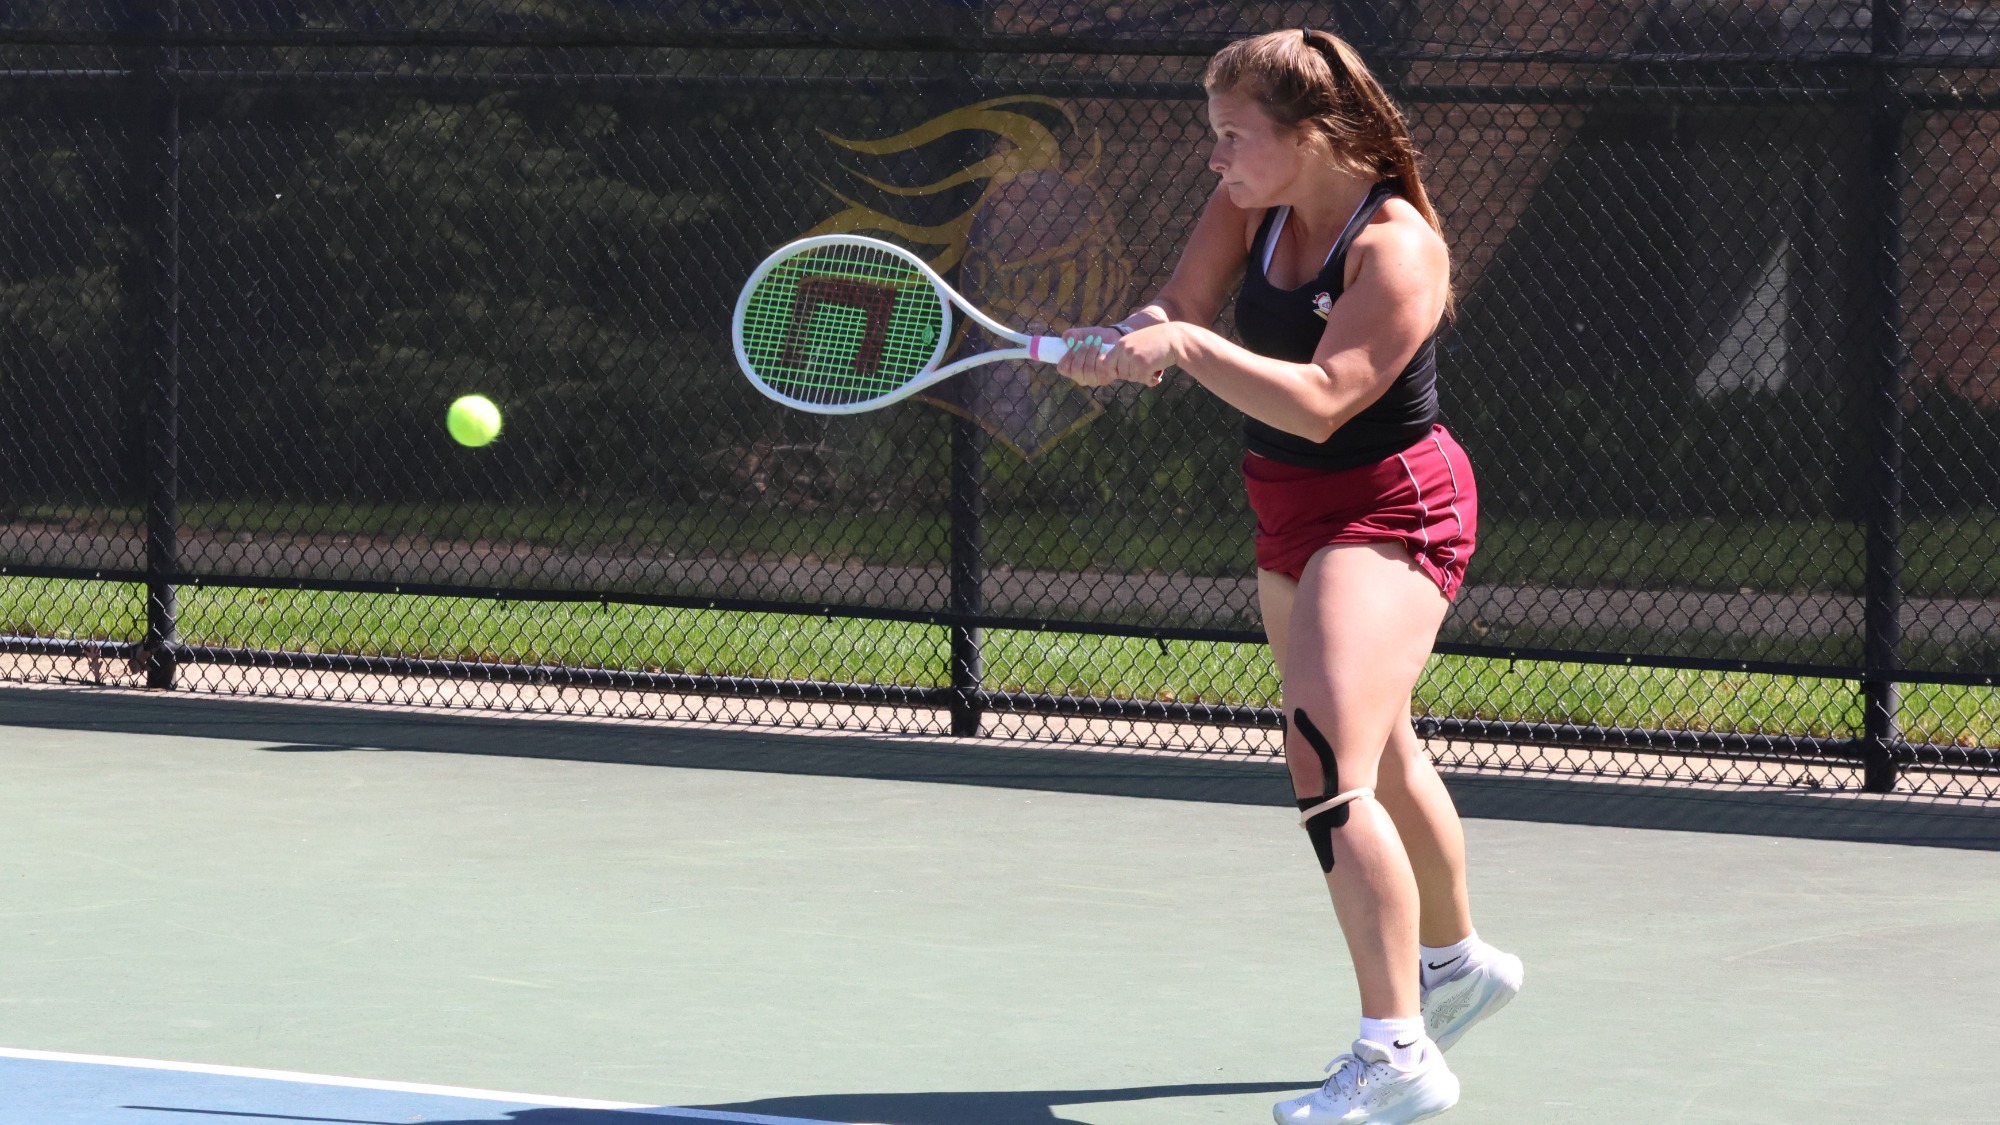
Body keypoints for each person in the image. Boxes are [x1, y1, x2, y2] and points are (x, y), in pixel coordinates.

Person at [1054, 28, 1524, 1125]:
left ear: (1310, 137)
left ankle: (1397, 1051)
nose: (1212, 159)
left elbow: (1322, 398)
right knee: (1379, 744)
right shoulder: (1250, 204)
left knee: (1323, 765)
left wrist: (1184, 353)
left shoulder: (1396, 249)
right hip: (1289, 504)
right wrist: (1131, 339)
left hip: (1393, 506)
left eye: (1230, 136)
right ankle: (1455, 967)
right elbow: (1178, 304)